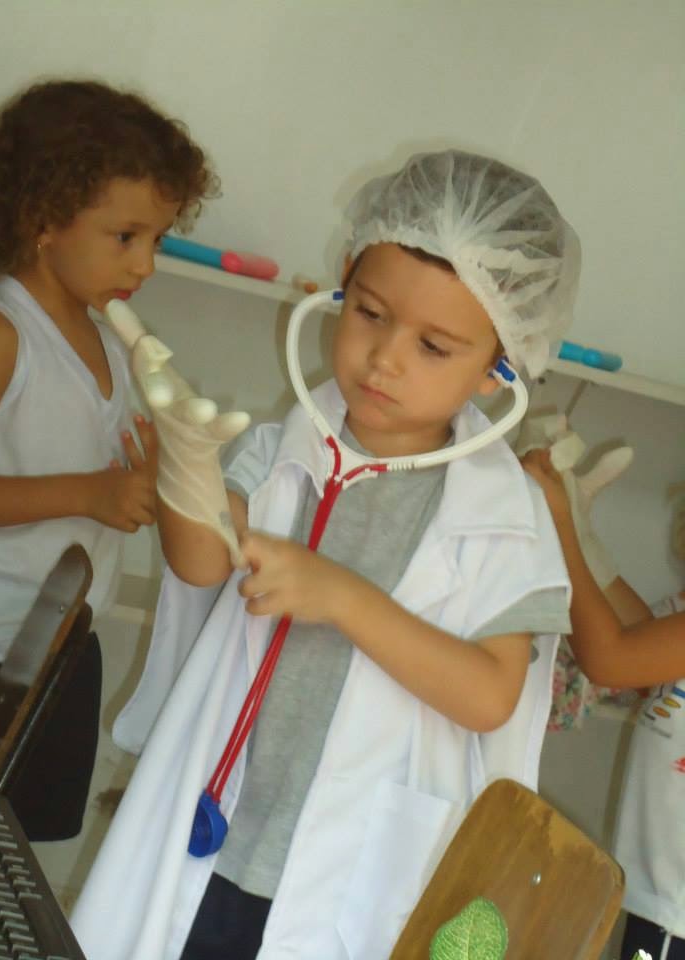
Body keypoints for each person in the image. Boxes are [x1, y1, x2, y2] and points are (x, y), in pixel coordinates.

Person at [72, 149, 580, 960]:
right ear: (342, 285)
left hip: (355, 880)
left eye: (434, 346)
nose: (386, 358)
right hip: (218, 837)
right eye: (371, 313)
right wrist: (187, 471)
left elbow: (491, 695)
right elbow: (205, 562)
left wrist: (344, 598)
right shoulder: (285, 448)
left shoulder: (503, 518)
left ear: (498, 369)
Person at [0, 78, 216, 839]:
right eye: (126, 237)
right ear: (43, 218)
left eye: (157, 240)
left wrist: (152, 474)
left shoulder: (109, 341)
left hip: (58, 650)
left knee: (17, 857)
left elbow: (108, 478)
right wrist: (87, 493)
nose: (146, 265)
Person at [523, 449, 685, 960]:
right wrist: (581, 535)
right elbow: (634, 641)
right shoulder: (678, 614)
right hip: (665, 905)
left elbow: (610, 659)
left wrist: (560, 527)